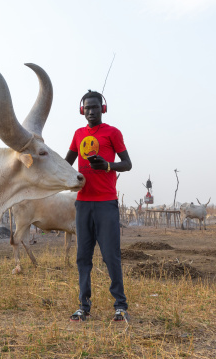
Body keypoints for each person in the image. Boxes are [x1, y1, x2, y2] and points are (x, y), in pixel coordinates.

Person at [65, 90, 132, 322]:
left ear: (103, 109)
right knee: (83, 257)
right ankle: (83, 307)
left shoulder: (112, 133)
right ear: (81, 110)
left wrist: (107, 166)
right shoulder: (78, 134)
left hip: (106, 204)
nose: (91, 111)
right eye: (87, 108)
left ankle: (120, 306)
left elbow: (127, 164)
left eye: (95, 107)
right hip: (83, 204)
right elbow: (67, 165)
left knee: (111, 256)